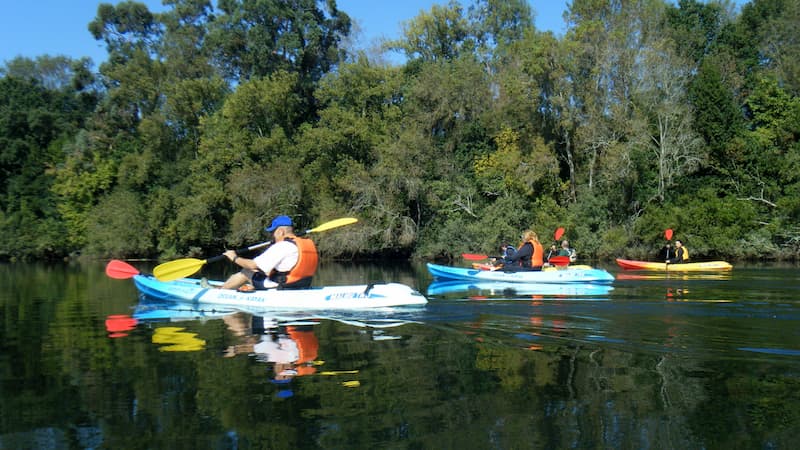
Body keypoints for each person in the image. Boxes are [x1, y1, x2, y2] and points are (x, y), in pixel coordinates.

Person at [211, 215, 319, 291]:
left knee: (247, 271)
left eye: (273, 232)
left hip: (283, 286)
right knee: (257, 271)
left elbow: (252, 265)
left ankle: (221, 291)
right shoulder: (304, 244)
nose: (273, 236)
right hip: (301, 284)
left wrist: (234, 257)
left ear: (281, 231)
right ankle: (244, 286)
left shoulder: (282, 246)